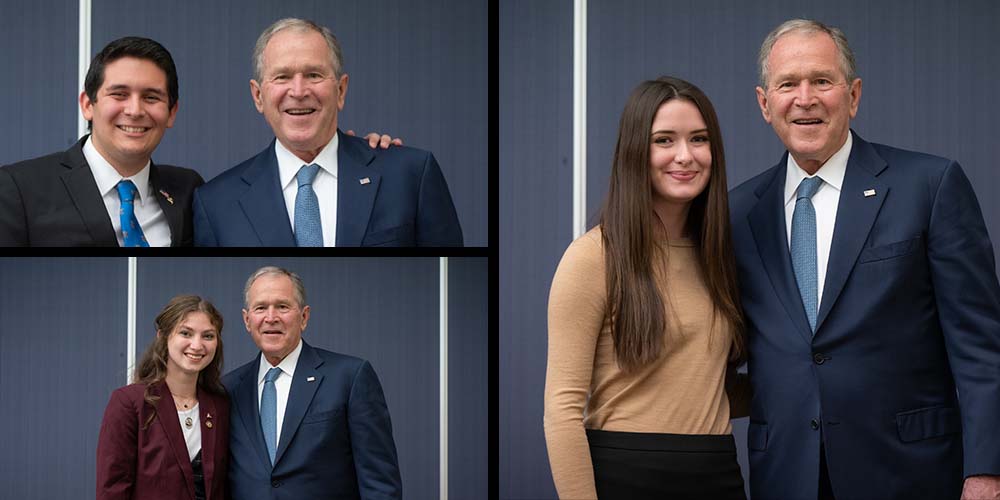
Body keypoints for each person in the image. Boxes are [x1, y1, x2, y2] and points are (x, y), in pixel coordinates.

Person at [729, 18, 1000, 500]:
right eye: (788, 84)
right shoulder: (738, 213)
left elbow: (980, 347)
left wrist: (987, 472)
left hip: (910, 474)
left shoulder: (929, 186)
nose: (805, 98)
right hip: (787, 477)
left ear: (853, 95)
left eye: (822, 81)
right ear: (764, 103)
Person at [544, 76, 749, 499]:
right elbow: (561, 413)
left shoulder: (721, 256)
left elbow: (706, 384)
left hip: (717, 475)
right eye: (664, 140)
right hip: (624, 477)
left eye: (699, 139)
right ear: (636, 151)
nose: (685, 156)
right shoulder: (593, 257)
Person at [192, 18, 463, 247]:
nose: (298, 92)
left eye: (313, 75)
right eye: (282, 77)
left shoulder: (409, 174)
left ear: (341, 90)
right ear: (258, 96)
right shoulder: (216, 203)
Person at [0, 37, 202, 247]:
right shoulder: (18, 189)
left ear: (172, 112)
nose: (134, 111)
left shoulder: (187, 190)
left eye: (151, 97)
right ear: (87, 105)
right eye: (119, 94)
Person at [224, 266, 402, 499]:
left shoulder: (349, 377)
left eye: (282, 306)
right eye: (260, 308)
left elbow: (380, 485)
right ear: (247, 320)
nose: (271, 317)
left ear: (304, 316)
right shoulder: (229, 389)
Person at [96, 295, 229, 500]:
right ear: (162, 336)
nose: (197, 345)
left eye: (208, 336)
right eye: (186, 333)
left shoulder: (220, 406)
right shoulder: (129, 403)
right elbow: (112, 491)